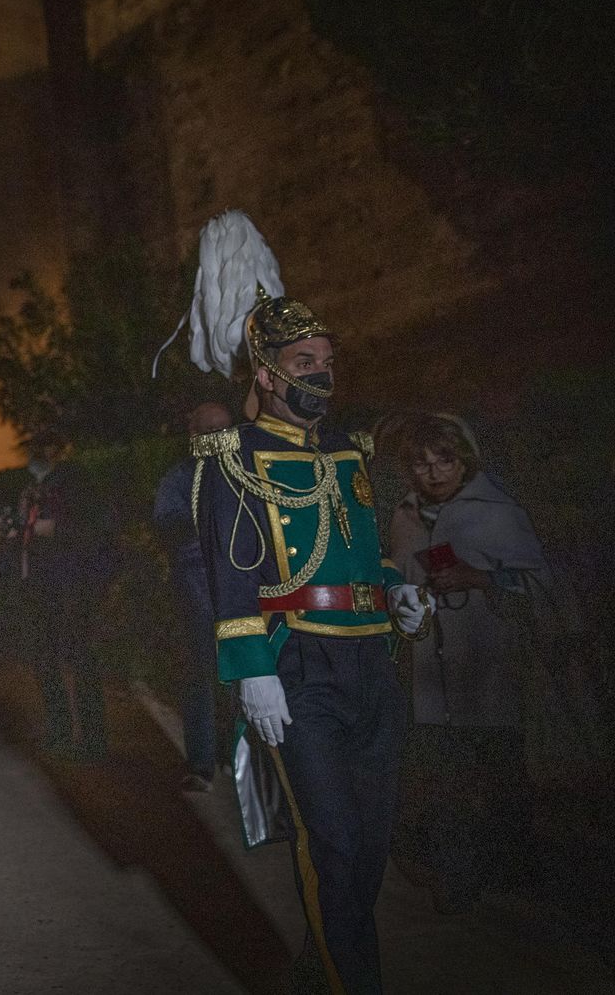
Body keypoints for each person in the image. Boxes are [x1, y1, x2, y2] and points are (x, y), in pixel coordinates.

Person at [185, 212, 433, 994]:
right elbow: (231, 578)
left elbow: (364, 554)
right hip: (300, 667)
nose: (321, 372)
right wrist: (252, 669)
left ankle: (317, 967)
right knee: (329, 843)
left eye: (326, 359)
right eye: (303, 361)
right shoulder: (233, 459)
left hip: (370, 660)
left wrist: (399, 592)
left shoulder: (347, 453)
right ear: (265, 373)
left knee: (366, 848)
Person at [386, 413, 574, 912]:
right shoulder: (404, 518)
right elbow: (390, 578)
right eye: (421, 463)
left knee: (500, 777)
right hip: (427, 674)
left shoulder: (497, 512)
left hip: (489, 673)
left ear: (464, 460)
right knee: (444, 781)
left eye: (444, 460)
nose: (434, 473)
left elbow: (543, 590)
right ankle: (457, 881)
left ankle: (517, 881)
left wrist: (482, 579)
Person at [17, 434, 117, 760]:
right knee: (50, 658)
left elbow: (92, 527)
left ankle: (88, 740)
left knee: (75, 658)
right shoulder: (42, 485)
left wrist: (54, 528)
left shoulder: (75, 481)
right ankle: (64, 733)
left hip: (70, 584)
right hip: (48, 584)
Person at [153, 400, 234, 792]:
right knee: (200, 679)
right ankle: (202, 764)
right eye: (211, 433)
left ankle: (243, 760)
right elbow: (165, 525)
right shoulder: (180, 478)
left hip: (243, 594)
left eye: (225, 431)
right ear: (193, 435)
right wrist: (207, 516)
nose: (220, 440)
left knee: (245, 677)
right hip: (196, 594)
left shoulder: (246, 473)